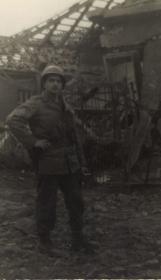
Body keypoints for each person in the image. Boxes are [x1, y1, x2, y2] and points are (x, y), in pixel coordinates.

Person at [6, 65, 93, 255]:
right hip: (49, 162)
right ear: (44, 84)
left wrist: (81, 161)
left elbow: (75, 135)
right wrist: (33, 142)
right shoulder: (35, 103)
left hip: (70, 163)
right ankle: (44, 243)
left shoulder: (65, 105)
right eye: (51, 81)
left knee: (76, 202)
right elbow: (13, 120)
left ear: (62, 85)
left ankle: (78, 240)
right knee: (47, 203)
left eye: (58, 81)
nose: (55, 84)